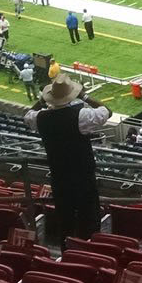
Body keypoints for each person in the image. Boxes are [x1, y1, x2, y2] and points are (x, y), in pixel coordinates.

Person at [26, 76, 112, 241]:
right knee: (89, 216)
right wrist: (85, 97)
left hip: (59, 176)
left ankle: (67, 252)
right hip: (83, 175)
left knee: (65, 218)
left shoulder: (41, 118)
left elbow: (28, 115)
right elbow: (107, 111)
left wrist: (42, 101)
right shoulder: (80, 115)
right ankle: (89, 250)